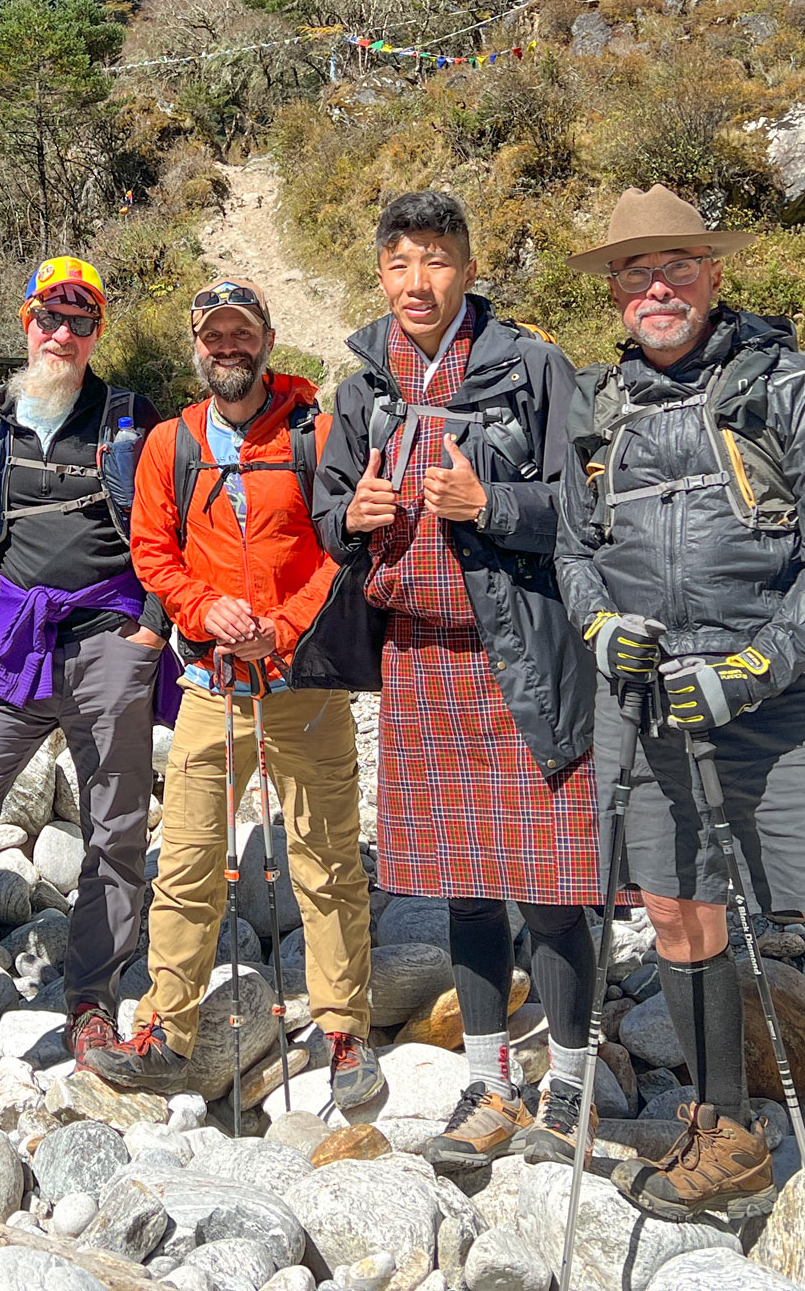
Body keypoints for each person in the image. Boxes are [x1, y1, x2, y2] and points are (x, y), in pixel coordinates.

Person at [553, 185, 805, 1275]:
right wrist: (599, 628)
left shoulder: (790, 386)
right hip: (645, 705)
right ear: (613, 287)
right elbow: (571, 552)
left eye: (678, 265)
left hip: (777, 710)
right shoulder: (597, 408)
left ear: (715, 275)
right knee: (682, 917)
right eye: (637, 270)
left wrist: (757, 667)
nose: (658, 286)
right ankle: (725, 1131)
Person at [311, 192, 604, 1165]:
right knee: (469, 887)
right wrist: (348, 519)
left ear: (468, 268)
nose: (415, 282)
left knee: (556, 885)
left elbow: (588, 513)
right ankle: (489, 1079)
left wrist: (494, 503)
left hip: (521, 656)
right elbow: (321, 521)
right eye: (398, 262)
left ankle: (571, 1088)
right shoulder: (358, 392)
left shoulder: (534, 370)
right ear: (381, 274)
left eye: (435, 260)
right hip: (419, 661)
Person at [86, 278, 385, 1108]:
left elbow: (342, 551)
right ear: (196, 344)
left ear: (267, 338)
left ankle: (344, 1032)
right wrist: (204, 611)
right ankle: (163, 1030)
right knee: (184, 863)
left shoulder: (319, 434)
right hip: (212, 684)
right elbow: (151, 552)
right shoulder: (167, 445)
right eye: (214, 336)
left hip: (304, 683)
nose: (229, 349)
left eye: (241, 334)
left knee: (326, 864)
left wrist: (279, 631)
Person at [0, 256, 171, 1065]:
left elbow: (166, 524)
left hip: (110, 631)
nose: (62, 334)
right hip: (15, 632)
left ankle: (93, 994)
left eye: (80, 321)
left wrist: (152, 627)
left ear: (97, 332)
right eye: (49, 318)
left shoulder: (132, 417)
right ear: (25, 323)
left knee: (115, 826)